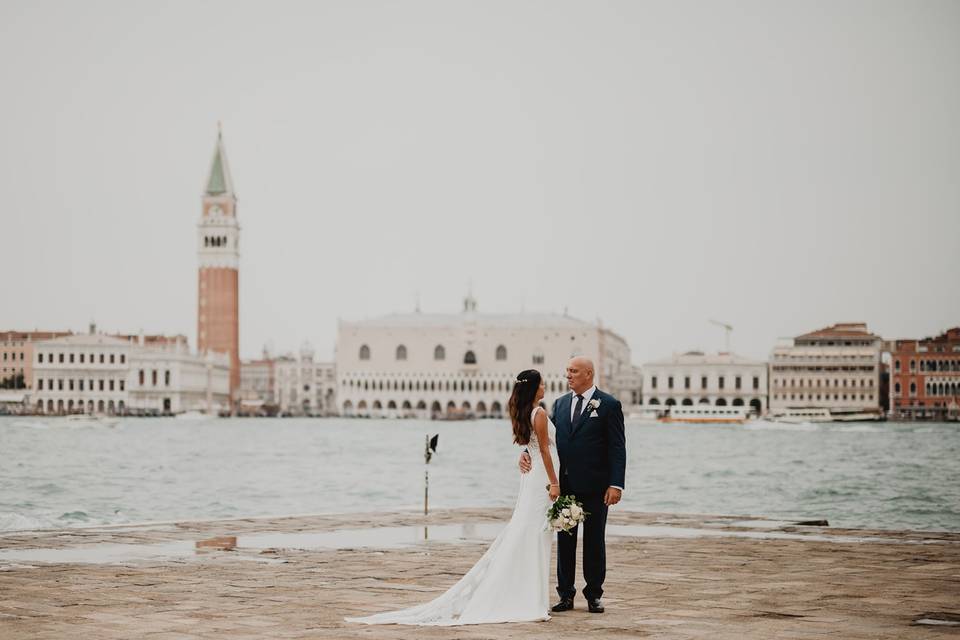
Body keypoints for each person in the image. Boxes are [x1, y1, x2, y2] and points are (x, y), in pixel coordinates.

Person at [345, 369, 559, 626]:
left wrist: (529, 458)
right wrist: (555, 482)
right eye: (542, 383)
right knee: (534, 533)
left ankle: (528, 593)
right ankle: (529, 596)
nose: (545, 386)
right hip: (541, 479)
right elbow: (545, 451)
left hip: (532, 477)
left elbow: (533, 446)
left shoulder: (526, 412)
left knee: (528, 531)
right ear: (534, 387)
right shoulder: (540, 413)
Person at [519, 356, 625, 614]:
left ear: (588, 374)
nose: (568, 375)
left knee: (594, 541)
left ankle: (594, 595)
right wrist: (525, 452)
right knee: (565, 541)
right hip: (565, 485)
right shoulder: (559, 404)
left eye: (574, 371)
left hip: (597, 486)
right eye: (567, 370)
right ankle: (565, 594)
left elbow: (617, 447)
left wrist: (616, 484)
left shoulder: (609, 405)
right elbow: (547, 440)